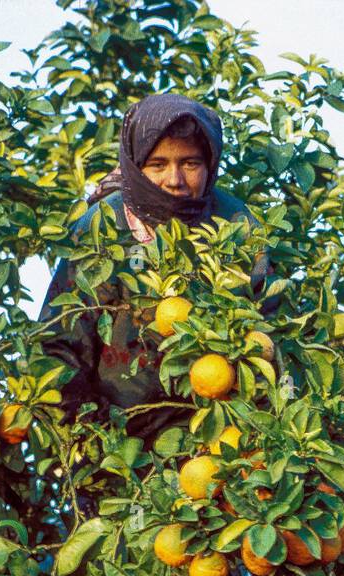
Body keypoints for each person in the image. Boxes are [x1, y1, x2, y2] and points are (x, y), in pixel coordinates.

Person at [38, 93, 276, 443]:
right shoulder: (102, 226)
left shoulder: (237, 225)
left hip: (211, 437)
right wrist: (87, 432)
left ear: (210, 164)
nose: (174, 179)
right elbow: (58, 343)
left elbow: (269, 332)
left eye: (190, 163)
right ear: (135, 166)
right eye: (157, 164)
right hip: (116, 436)